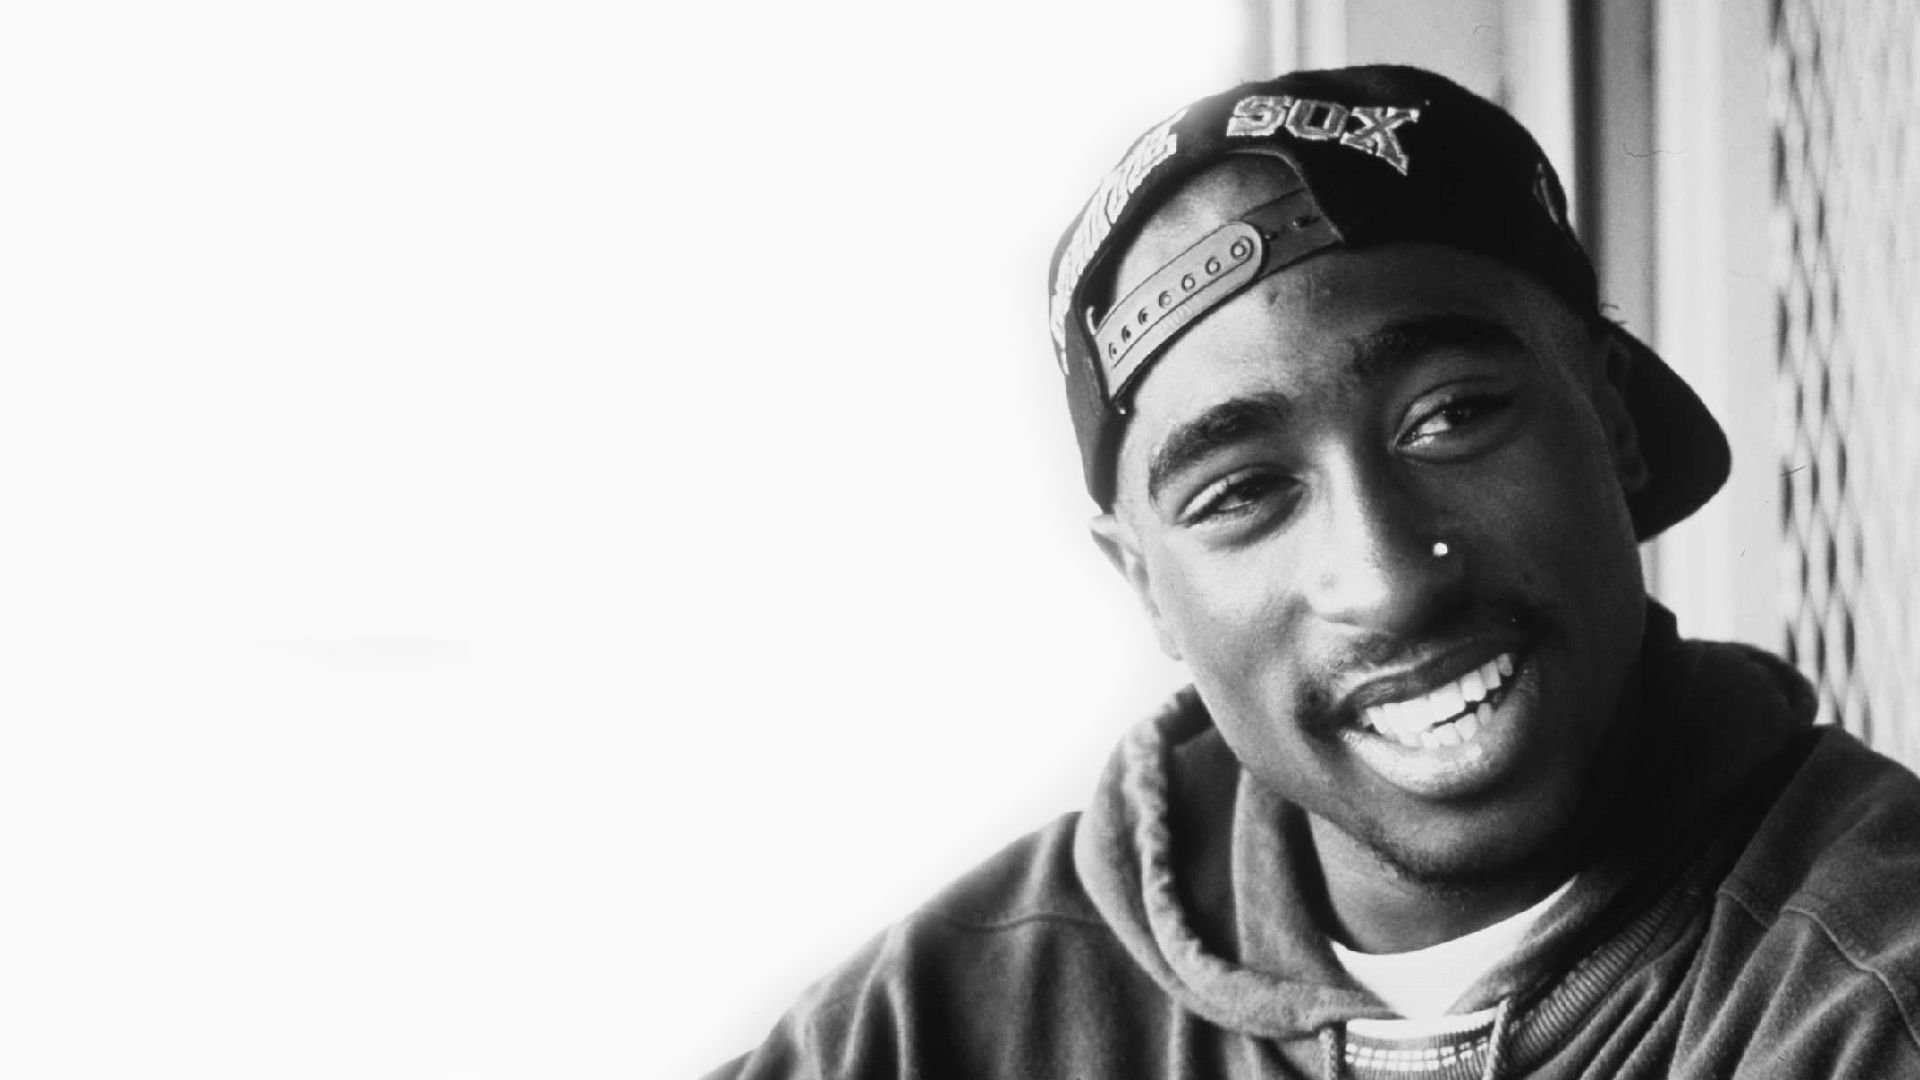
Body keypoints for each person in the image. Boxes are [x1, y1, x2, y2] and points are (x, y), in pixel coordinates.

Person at [705, 65, 1920, 1079]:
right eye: (1241, 493)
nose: (1388, 579)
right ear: (1148, 590)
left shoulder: (1866, 992)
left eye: (1449, 417)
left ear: (1613, 422)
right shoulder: (929, 1027)